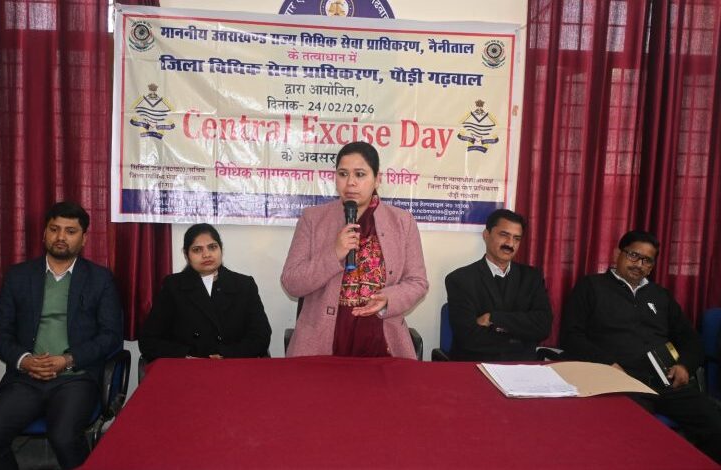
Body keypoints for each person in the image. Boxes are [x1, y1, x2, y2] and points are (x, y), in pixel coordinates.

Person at [0, 202, 123, 470]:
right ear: (44, 234)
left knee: (64, 437)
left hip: (75, 378)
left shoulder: (100, 279)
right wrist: (24, 360)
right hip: (25, 379)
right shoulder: (19, 276)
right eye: (54, 229)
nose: (61, 237)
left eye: (70, 231)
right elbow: (0, 331)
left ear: (84, 238)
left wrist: (68, 360)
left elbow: (110, 335)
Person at [561, 230, 721, 463]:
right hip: (620, 382)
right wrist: (606, 364)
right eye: (634, 255)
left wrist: (685, 366)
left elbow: (690, 339)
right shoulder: (591, 287)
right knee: (631, 439)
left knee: (714, 423)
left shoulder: (660, 295)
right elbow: (571, 337)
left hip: (665, 381)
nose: (639, 264)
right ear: (617, 254)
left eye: (647, 260)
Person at [281, 141, 428, 358]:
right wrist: (334, 253)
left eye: (360, 174)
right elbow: (291, 282)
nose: (350, 182)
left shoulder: (402, 222)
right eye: (343, 174)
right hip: (322, 342)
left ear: (377, 179)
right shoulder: (313, 219)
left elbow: (417, 282)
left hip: (381, 341)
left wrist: (389, 299)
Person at [139, 223, 271, 359]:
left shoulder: (244, 285)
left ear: (221, 249)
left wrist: (227, 354)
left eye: (212, 247)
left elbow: (261, 337)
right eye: (197, 250)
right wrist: (185, 356)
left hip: (232, 364)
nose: (206, 254)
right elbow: (148, 340)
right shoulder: (173, 286)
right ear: (186, 255)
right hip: (188, 367)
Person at [444, 209, 552, 361]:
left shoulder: (532, 277)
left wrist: (493, 318)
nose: (510, 243)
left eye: (516, 238)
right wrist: (521, 336)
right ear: (486, 235)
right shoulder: (460, 280)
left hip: (522, 365)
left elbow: (543, 327)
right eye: (504, 235)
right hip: (476, 363)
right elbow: (468, 337)